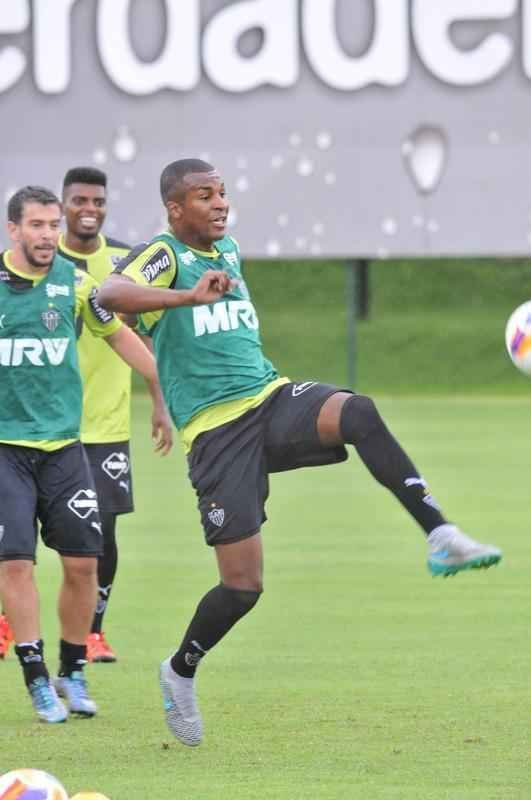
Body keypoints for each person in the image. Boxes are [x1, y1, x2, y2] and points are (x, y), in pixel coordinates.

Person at [97, 158, 503, 748]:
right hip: (215, 435)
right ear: (174, 208)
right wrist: (184, 296)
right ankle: (180, 667)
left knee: (358, 412)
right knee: (242, 587)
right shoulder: (165, 254)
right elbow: (110, 292)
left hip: (268, 398)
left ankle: (440, 535)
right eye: (203, 195)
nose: (218, 203)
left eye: (223, 193)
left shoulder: (227, 250)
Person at [0, 186, 172, 724]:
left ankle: (71, 670)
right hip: (6, 450)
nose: (48, 234)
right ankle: (35, 677)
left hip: (64, 448)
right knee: (17, 564)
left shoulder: (75, 284)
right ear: (13, 231)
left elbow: (117, 335)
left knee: (83, 564)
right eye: (36, 225)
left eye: (53, 225)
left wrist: (162, 387)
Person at [57, 166, 173, 663]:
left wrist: (160, 401)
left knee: (102, 531)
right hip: (42, 422)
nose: (90, 209)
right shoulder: (38, 261)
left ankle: (92, 632)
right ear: (62, 205)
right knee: (16, 531)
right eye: (80, 200)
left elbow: (144, 332)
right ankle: (6, 623)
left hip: (106, 423)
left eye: (98, 201)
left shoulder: (125, 263)